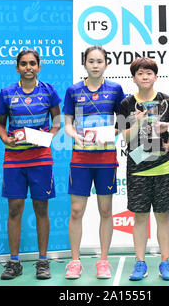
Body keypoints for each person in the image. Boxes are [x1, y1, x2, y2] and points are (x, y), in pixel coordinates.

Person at [0, 49, 61, 280]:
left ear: (39, 66)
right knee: (14, 209)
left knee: (41, 209)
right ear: (17, 68)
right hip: (14, 159)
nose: (28, 67)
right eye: (23, 64)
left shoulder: (49, 91)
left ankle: (43, 261)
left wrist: (50, 135)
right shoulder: (6, 94)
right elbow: (0, 125)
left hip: (41, 158)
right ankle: (14, 262)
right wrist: (5, 139)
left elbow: (57, 120)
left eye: (32, 63)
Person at [63, 46, 125, 279]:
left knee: (105, 209)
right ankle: (75, 261)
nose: (95, 65)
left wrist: (112, 133)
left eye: (100, 61)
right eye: (91, 61)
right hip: (80, 158)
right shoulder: (73, 91)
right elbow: (68, 122)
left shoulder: (116, 90)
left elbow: (122, 122)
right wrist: (74, 134)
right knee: (77, 210)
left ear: (106, 64)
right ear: (85, 64)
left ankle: (103, 260)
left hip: (106, 158)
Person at [117, 57, 169, 281]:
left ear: (155, 76)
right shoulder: (126, 104)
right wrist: (138, 123)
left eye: (149, 73)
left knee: (163, 217)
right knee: (140, 217)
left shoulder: (167, 101)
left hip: (164, 166)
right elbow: (124, 137)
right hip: (138, 167)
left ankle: (165, 261)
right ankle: (140, 262)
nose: (145, 77)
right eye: (140, 73)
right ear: (134, 78)